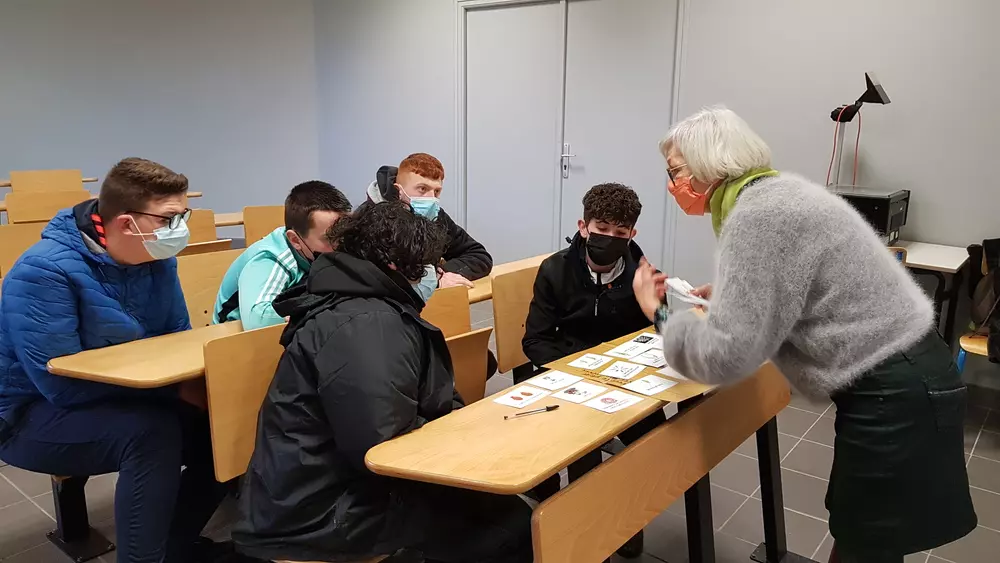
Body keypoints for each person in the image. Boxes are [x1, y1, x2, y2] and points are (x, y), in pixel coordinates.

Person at [633, 106, 976, 563]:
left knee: (866, 540)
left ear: (706, 165)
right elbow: (800, 282)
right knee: (863, 531)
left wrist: (658, 313)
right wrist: (737, 294)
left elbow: (727, 356)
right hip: (908, 370)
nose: (671, 183)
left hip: (895, 388)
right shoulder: (775, 194)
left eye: (675, 171)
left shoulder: (755, 216)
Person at [232, 202, 532, 563]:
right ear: (394, 265)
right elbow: (381, 447)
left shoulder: (363, 303)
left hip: (326, 489)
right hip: (319, 513)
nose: (435, 276)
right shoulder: (367, 324)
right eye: (428, 267)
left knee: (500, 507)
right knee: (510, 526)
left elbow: (420, 403)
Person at [0, 158, 232, 563]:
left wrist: (194, 390)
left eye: (184, 216)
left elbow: (176, 339)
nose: (180, 229)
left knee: (221, 430)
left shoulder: (157, 258)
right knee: (151, 434)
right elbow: (59, 385)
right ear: (126, 223)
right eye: (170, 219)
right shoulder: (43, 271)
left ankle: (173, 547)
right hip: (27, 414)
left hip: (126, 394)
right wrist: (172, 394)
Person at [521, 182, 665, 558]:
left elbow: (661, 334)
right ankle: (567, 510)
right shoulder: (555, 270)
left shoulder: (642, 274)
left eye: (620, 232)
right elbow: (535, 341)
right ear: (583, 227)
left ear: (632, 234)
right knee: (575, 435)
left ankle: (627, 513)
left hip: (627, 378)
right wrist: (578, 369)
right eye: (601, 229)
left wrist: (658, 310)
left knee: (655, 435)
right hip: (569, 370)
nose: (609, 238)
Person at [213, 181, 351, 329]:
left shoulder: (312, 247)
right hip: (233, 334)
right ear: (295, 240)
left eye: (343, 234)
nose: (339, 244)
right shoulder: (270, 259)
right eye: (329, 238)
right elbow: (258, 320)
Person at [364, 152, 493, 288]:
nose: (431, 198)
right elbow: (373, 276)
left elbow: (479, 256)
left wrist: (444, 274)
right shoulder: (369, 219)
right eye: (422, 189)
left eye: (436, 191)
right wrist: (433, 280)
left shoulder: (434, 215)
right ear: (398, 190)